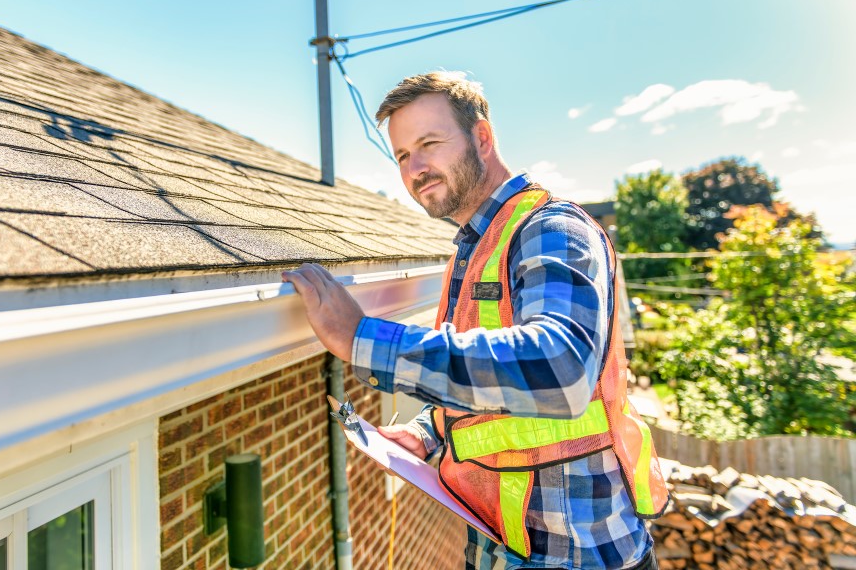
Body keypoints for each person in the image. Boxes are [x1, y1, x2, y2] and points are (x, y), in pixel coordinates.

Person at [282, 71, 666, 570]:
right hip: (502, 548)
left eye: (429, 143)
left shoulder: (550, 228)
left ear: (481, 137)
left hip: (579, 554)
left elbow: (562, 370)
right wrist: (428, 431)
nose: (415, 167)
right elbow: (491, 385)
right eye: (401, 155)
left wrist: (361, 339)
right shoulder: (474, 249)